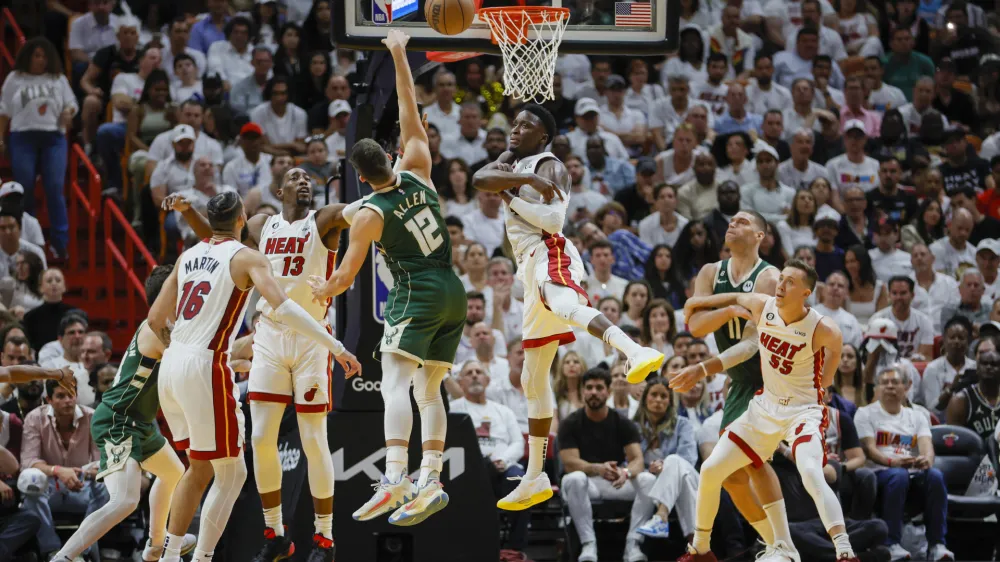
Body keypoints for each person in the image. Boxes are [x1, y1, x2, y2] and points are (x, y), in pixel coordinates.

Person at [469, 96, 666, 518]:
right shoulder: (517, 162)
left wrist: (511, 192)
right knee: (533, 377)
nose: (514, 131)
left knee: (562, 301)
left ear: (543, 135)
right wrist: (509, 180)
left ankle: (635, 351)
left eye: (523, 127)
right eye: (513, 126)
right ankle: (537, 473)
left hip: (550, 250)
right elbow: (479, 179)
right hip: (528, 263)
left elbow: (553, 222)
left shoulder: (549, 164)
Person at [308, 30, 465, 526]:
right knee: (430, 389)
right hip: (452, 290)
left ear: (359, 177)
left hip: (416, 291)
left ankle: (395, 477)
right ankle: (432, 478)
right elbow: (407, 108)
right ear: (392, 157)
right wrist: (399, 53)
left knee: (395, 382)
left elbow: (347, 274)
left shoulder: (369, 215)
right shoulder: (419, 164)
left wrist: (323, 289)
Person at [148, 191, 358, 562]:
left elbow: (154, 320)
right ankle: (206, 555)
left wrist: (182, 351)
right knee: (230, 472)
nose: (300, 181)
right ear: (245, 218)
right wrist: (337, 347)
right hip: (229, 353)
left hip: (175, 361)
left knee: (198, 469)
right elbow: (284, 305)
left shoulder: (188, 256)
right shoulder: (253, 249)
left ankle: (168, 554)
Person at [675, 259, 858, 562]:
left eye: (790, 283)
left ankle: (845, 551)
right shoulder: (763, 305)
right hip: (764, 407)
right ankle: (701, 549)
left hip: (802, 411)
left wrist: (812, 390)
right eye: (781, 279)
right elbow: (733, 298)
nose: (781, 286)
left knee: (812, 473)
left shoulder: (825, 329)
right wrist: (698, 301)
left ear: (806, 293)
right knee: (710, 470)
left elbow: (828, 375)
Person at [666, 210, 792, 560]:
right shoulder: (709, 272)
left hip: (769, 379)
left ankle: (775, 544)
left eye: (742, 222)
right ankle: (778, 544)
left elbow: (752, 344)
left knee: (750, 462)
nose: (733, 224)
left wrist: (703, 367)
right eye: (731, 221)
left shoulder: (770, 278)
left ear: (759, 236)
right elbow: (695, 326)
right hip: (740, 382)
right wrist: (733, 308)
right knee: (734, 478)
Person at [49, 267, 198, 562]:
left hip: (139, 421)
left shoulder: (167, 326)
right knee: (124, 501)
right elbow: (192, 361)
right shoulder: (157, 328)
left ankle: (156, 543)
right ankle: (63, 558)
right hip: (118, 419)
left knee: (173, 472)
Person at [854, 365, 954, 562]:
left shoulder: (917, 416)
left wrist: (926, 459)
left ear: (905, 388)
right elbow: (869, 450)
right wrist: (893, 462)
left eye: (895, 382)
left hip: (911, 472)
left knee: (935, 476)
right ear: (877, 388)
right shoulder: (865, 414)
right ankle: (892, 543)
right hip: (880, 473)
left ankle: (937, 545)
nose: (890, 387)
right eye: (885, 383)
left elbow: (927, 445)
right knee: (898, 475)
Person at [558, 367, 655, 562]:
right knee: (574, 479)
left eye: (599, 388)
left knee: (648, 479)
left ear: (608, 392)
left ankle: (633, 544)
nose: (594, 392)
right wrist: (597, 468)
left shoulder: (622, 422)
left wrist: (626, 473)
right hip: (587, 484)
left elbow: (637, 460)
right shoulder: (570, 423)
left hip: (615, 481)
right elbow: (569, 463)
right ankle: (588, 544)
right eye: (589, 387)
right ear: (583, 391)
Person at [0, 37, 77, 258]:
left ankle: (60, 243)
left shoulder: (58, 79)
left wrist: (68, 114)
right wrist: (1, 138)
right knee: (23, 187)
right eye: (36, 55)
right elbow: (4, 110)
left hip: (53, 137)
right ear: (28, 56)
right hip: (22, 137)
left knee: (54, 187)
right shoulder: (15, 78)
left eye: (44, 56)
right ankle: (26, 239)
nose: (41, 60)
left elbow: (71, 105)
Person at [449, 360, 529, 557]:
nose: (475, 375)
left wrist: (503, 460)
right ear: (460, 382)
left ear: (487, 380)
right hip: (469, 471)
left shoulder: (503, 411)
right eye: (469, 373)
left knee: (521, 481)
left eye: (478, 372)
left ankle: (514, 549)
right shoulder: (452, 410)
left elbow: (518, 443)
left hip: (503, 469)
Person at [631, 376, 701, 541]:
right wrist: (650, 469)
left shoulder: (683, 424)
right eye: (654, 394)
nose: (658, 400)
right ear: (645, 398)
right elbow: (628, 460)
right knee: (682, 483)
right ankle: (695, 546)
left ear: (670, 402)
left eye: (663, 396)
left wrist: (665, 465)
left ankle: (661, 516)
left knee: (674, 461)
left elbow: (688, 459)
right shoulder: (633, 427)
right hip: (656, 482)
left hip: (689, 475)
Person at [919, 316, 974, 415]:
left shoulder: (975, 368)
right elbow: (932, 409)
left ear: (968, 342)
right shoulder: (932, 369)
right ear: (944, 340)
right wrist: (952, 388)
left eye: (961, 338)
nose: (956, 341)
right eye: (952, 337)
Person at [871, 276, 935, 360]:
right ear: (889, 295)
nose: (898, 297)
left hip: (914, 369)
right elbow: (872, 355)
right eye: (894, 293)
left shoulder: (924, 321)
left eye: (903, 293)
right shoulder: (877, 320)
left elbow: (926, 356)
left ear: (912, 295)